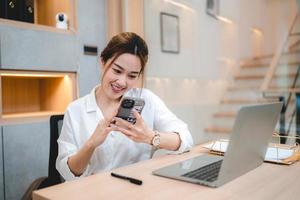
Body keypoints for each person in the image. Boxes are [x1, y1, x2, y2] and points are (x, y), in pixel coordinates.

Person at [56, 32, 193, 181]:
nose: (122, 82)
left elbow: (185, 139)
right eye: (117, 71)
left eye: (132, 76)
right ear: (103, 62)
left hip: (139, 190)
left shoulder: (146, 99)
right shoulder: (76, 110)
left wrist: (150, 137)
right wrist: (91, 143)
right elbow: (67, 172)